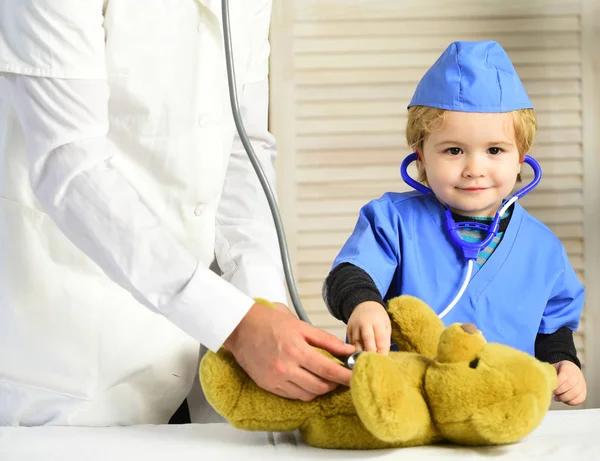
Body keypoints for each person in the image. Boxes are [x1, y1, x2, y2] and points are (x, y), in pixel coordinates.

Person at [0, 1, 354, 426]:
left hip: (192, 350)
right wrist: (236, 323)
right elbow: (69, 162)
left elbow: (244, 147)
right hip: (66, 355)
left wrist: (264, 302)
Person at [322, 40, 587, 406]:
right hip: (413, 403)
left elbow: (552, 326)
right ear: (422, 158)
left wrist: (564, 363)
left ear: (521, 158)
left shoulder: (542, 249)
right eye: (453, 150)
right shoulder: (393, 220)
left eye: (495, 150)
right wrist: (363, 304)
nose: (474, 169)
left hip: (501, 411)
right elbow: (349, 274)